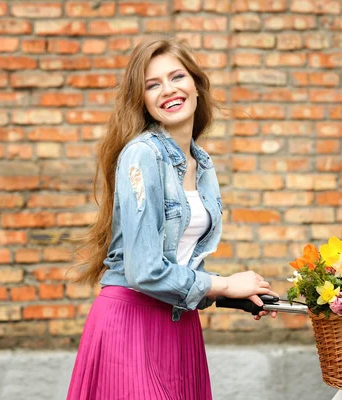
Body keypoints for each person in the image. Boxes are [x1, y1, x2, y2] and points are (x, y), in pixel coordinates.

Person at [66, 37, 278, 400]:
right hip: (130, 327)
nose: (168, 90)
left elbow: (177, 265)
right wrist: (224, 283)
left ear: (195, 84)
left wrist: (231, 295)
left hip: (179, 329)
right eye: (153, 85)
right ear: (143, 101)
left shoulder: (202, 164)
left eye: (176, 77)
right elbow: (145, 270)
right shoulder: (142, 155)